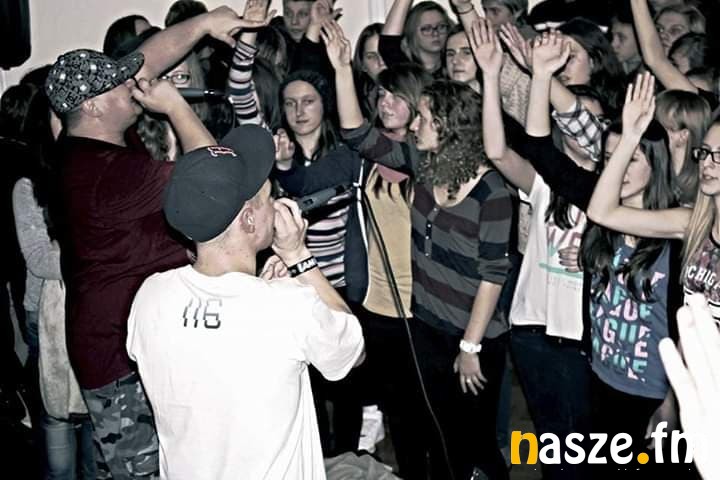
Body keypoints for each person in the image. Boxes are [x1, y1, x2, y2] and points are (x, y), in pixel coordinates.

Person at [44, 7, 270, 478]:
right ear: (93, 106)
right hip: (120, 363)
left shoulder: (81, 144)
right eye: (116, 84)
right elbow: (217, 180)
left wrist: (204, 24)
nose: (132, 83)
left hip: (125, 344)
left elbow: (145, 60)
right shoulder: (106, 174)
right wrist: (177, 108)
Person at [127, 124, 364, 480]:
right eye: (269, 198)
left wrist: (259, 290)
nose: (277, 204)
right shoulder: (287, 307)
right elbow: (351, 352)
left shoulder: (150, 296)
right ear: (249, 219)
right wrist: (299, 257)